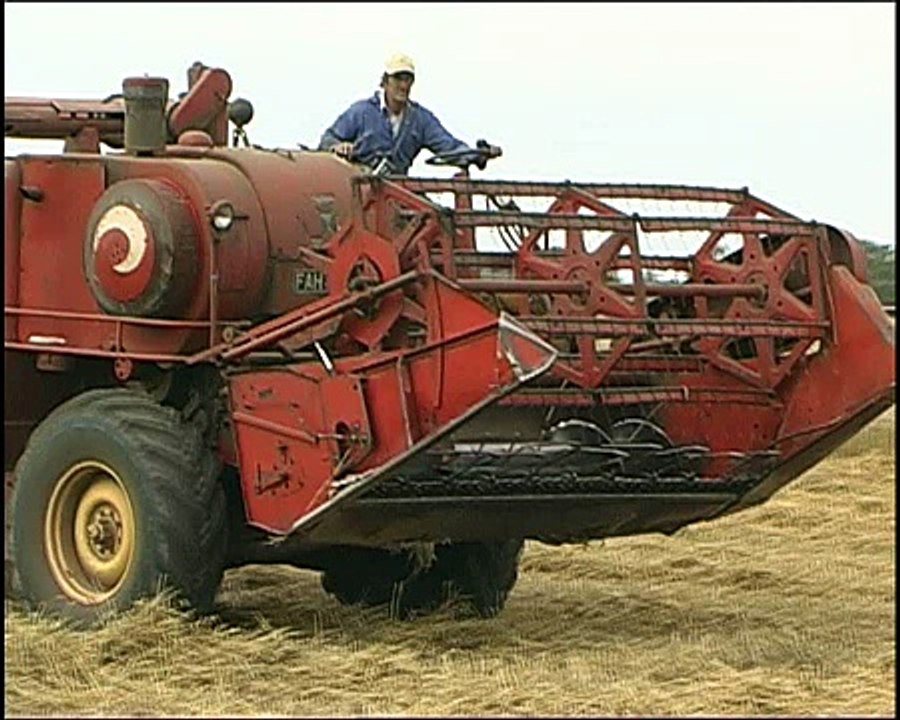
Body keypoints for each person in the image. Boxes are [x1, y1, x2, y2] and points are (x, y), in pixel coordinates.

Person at [318, 53, 484, 175]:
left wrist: (476, 155)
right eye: (398, 78)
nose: (403, 85)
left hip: (397, 193)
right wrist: (338, 146)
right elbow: (327, 140)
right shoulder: (361, 112)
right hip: (359, 193)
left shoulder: (420, 120)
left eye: (408, 79)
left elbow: (448, 146)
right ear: (385, 81)